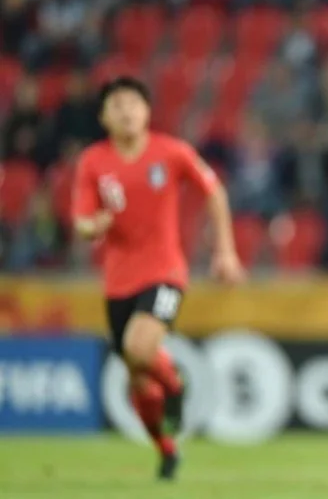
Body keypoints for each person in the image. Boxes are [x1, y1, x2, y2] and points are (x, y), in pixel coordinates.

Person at [72, 77, 246, 480]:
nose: (126, 112)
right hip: (118, 281)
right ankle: (166, 449)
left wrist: (225, 251)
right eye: (117, 105)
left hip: (165, 271)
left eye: (133, 103)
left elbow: (214, 191)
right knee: (136, 376)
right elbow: (81, 220)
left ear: (148, 111)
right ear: (103, 117)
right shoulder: (93, 162)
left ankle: (175, 383)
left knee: (139, 347)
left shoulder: (171, 152)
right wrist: (92, 226)